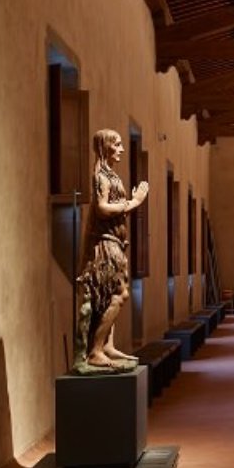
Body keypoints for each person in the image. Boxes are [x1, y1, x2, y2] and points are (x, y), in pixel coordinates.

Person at [75, 128, 147, 374]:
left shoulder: (110, 175)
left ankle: (107, 345)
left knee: (110, 294)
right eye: (116, 144)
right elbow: (102, 208)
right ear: (104, 146)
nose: (121, 149)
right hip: (105, 244)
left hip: (115, 242)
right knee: (119, 293)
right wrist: (133, 202)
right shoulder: (101, 176)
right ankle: (95, 350)